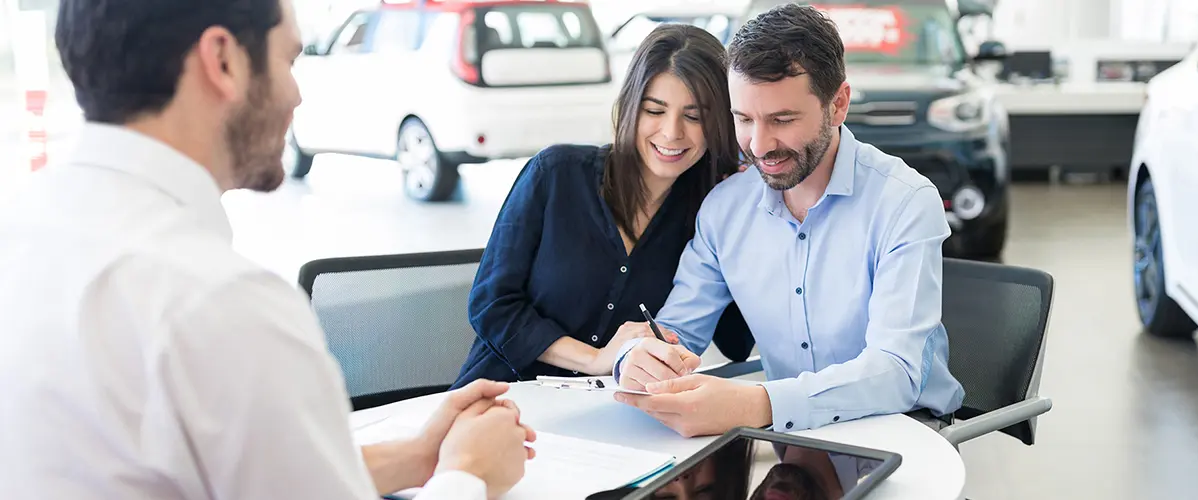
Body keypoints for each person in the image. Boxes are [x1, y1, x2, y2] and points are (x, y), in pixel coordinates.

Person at [0, 1, 535, 498]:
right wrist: (468, 477)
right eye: (288, 59)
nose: (297, 95)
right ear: (223, 61)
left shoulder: (25, 227)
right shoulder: (221, 301)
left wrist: (419, 458)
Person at [608, 4, 966, 437]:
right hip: (789, 434)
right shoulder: (725, 208)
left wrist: (758, 403)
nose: (759, 145)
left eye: (782, 120)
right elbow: (678, 332)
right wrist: (640, 357)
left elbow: (896, 371)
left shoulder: (905, 202)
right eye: (744, 119)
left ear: (838, 104)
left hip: (904, 427)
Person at [452, 24, 749, 386]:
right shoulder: (557, 174)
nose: (672, 132)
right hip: (502, 398)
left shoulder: (708, 213)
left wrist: (749, 210)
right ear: (629, 107)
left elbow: (736, 343)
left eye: (694, 116)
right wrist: (596, 359)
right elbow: (491, 306)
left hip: (613, 417)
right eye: (655, 111)